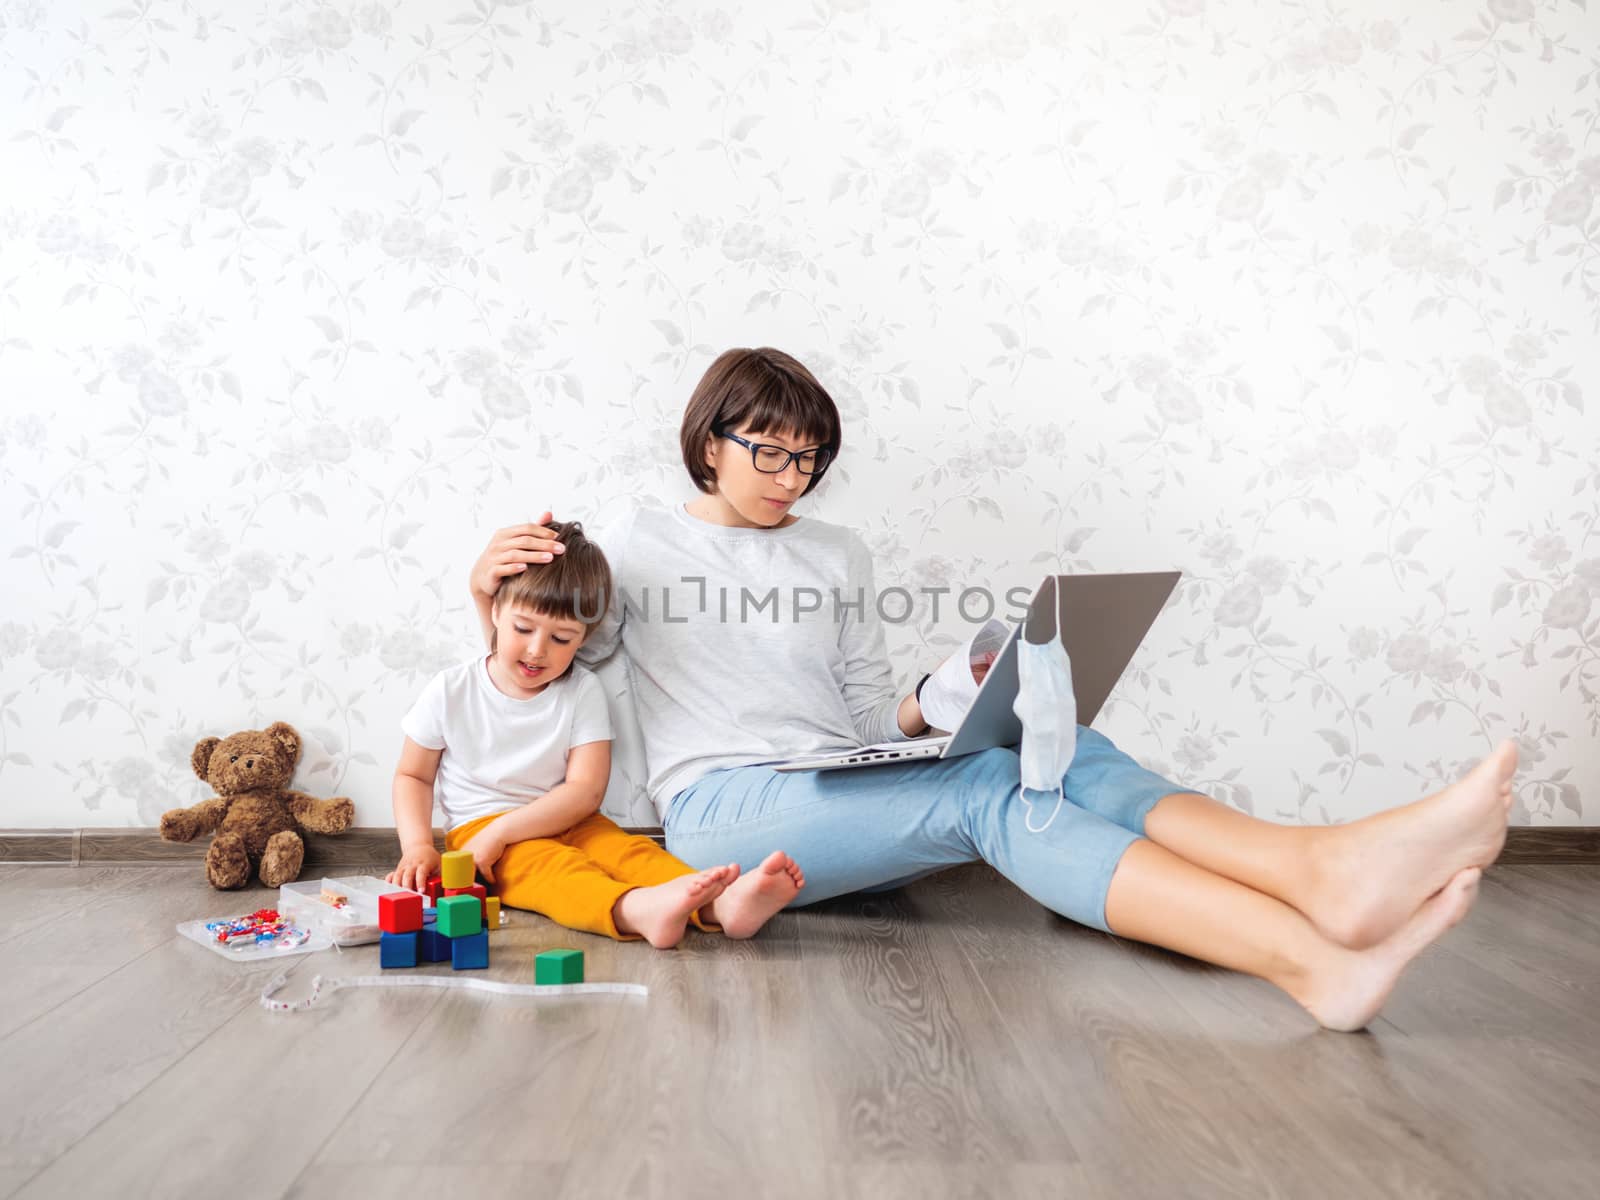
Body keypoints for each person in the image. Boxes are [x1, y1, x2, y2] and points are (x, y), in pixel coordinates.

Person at [468, 348, 1515, 1029]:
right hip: (716, 811)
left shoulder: (837, 554)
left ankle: (1318, 871)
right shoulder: (635, 549)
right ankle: (1305, 959)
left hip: (828, 781)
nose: (792, 479)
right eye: (771, 454)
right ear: (710, 443)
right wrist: (487, 597)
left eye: (810, 462)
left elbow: (865, 718)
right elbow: (538, 669)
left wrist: (950, 698)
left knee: (1057, 748)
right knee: (981, 798)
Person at [387, 518, 805, 949]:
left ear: (584, 637)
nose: (537, 650)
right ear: (494, 610)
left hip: (572, 820)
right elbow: (412, 777)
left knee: (629, 853)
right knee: (558, 873)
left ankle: (724, 904)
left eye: (561, 638)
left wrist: (506, 830)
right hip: (484, 833)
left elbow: (585, 791)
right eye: (524, 629)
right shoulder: (450, 690)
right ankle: (637, 910)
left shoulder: (582, 690)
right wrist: (418, 845)